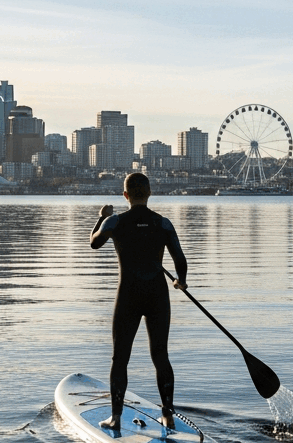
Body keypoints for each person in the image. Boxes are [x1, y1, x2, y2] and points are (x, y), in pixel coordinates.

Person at [90, 172, 188, 431]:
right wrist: (181, 280)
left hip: (128, 297)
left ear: (125, 195)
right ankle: (167, 415)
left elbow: (94, 243)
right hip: (157, 296)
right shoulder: (163, 223)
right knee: (161, 356)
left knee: (120, 359)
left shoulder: (114, 221)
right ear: (149, 193)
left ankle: (116, 418)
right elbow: (180, 258)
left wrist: (101, 216)